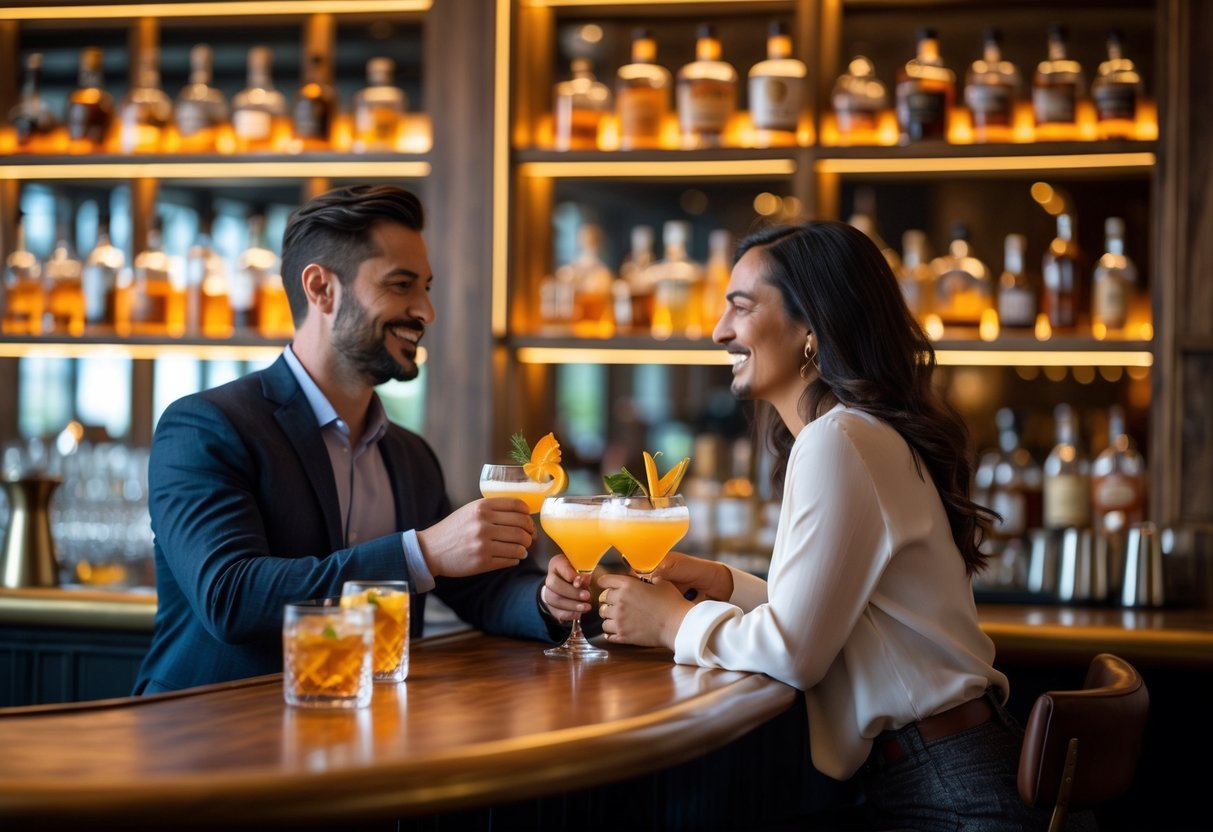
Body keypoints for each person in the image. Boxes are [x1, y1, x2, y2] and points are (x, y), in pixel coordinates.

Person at [543, 220, 1089, 831]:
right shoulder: (854, 433)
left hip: (948, 796)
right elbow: (835, 616)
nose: (720, 330)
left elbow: (796, 654)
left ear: (811, 327)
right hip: (946, 767)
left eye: (740, 307)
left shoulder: (841, 440)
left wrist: (673, 621)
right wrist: (723, 583)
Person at [135, 185, 563, 694]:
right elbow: (230, 596)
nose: (426, 311)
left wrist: (552, 600)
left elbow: (482, 592)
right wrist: (419, 553)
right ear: (321, 290)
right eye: (401, 285)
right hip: (212, 743)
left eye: (426, 287)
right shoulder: (205, 426)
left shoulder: (409, 455)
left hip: (367, 738)